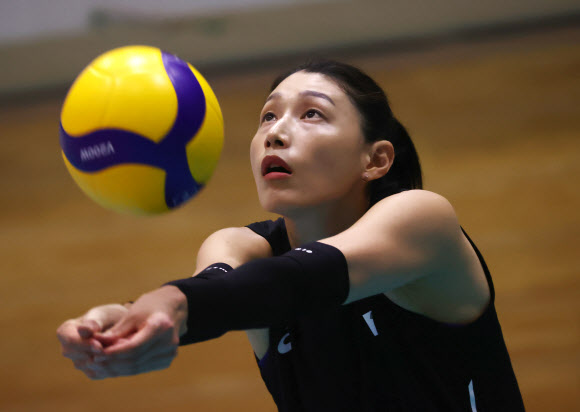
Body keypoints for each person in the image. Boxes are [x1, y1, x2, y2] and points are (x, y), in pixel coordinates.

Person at [57, 60, 525, 411]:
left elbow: (304, 279)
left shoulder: (423, 219)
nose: (275, 133)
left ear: (376, 159)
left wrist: (174, 304)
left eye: (312, 115)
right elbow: (215, 293)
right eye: (267, 117)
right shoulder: (237, 247)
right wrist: (121, 321)